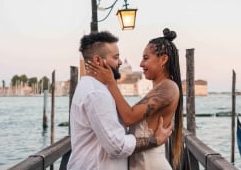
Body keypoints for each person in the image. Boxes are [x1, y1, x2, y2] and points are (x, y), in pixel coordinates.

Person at [67, 31, 173, 170]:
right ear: (98, 61)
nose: (120, 62)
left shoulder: (96, 87)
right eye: (116, 57)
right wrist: (155, 140)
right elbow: (117, 146)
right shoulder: (97, 93)